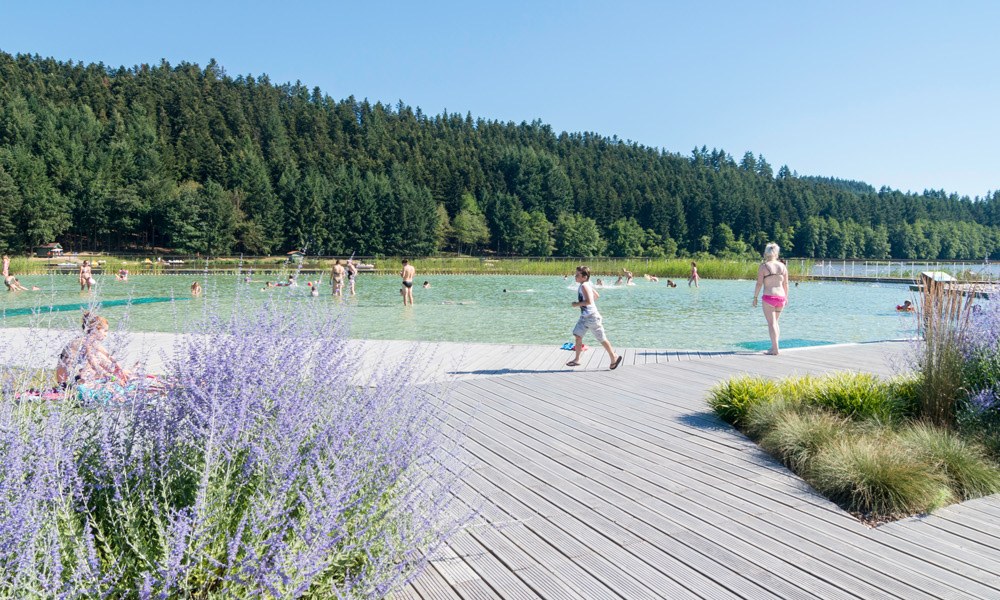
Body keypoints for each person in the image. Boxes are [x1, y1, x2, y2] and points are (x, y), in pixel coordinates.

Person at [567, 265, 623, 370]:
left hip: (592, 317)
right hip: (585, 317)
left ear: (584, 276)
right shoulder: (585, 284)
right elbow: (597, 295)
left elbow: (589, 301)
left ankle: (614, 357)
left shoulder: (584, 286)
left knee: (602, 339)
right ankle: (577, 359)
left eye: (577, 275)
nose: (575, 276)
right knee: (578, 335)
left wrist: (576, 304)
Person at [56, 313, 131, 387]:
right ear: (95, 330)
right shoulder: (86, 343)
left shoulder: (89, 340)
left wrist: (119, 369)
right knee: (96, 358)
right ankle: (83, 381)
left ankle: (122, 375)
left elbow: (107, 355)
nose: (106, 334)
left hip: (71, 375)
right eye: (105, 331)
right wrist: (112, 377)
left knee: (100, 356)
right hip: (66, 381)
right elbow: (93, 364)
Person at [752, 243, 790, 356]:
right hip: (781, 297)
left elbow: (759, 284)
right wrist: (786, 297)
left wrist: (755, 297)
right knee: (775, 323)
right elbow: (786, 284)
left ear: (766, 253)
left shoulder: (764, 267)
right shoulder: (783, 266)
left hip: (769, 297)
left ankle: (775, 349)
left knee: (771, 323)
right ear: (776, 253)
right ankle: (774, 346)